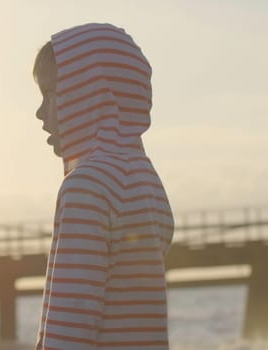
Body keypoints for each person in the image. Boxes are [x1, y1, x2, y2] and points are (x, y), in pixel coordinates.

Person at [33, 23, 174, 349]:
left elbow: (72, 320)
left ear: (84, 94)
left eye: (49, 95)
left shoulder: (86, 187)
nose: (41, 113)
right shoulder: (146, 180)